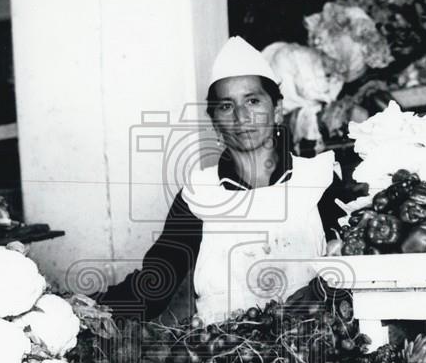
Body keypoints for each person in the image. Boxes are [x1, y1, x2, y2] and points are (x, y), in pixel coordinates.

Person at [99, 36, 357, 323]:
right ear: (214, 122)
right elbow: (155, 284)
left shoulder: (318, 180)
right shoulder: (200, 195)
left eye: (253, 101)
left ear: (277, 109)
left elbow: (359, 269)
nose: (241, 117)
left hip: (316, 352)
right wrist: (89, 309)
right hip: (227, 358)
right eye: (226, 106)